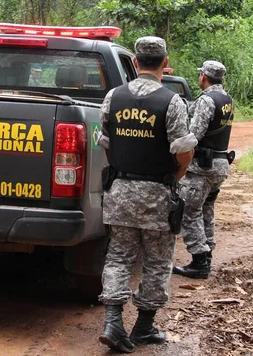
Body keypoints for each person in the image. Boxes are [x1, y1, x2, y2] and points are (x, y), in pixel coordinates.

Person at [97, 36, 196, 353]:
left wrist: (124, 173)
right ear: (165, 64)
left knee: (118, 257)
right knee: (157, 261)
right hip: (157, 195)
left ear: (136, 63)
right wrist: (172, 178)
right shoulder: (172, 102)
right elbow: (184, 151)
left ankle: (113, 322)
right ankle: (143, 326)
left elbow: (107, 143)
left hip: (120, 193)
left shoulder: (114, 97)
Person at [173, 60, 233, 279]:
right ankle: (207, 254)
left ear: (203, 77)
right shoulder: (226, 99)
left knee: (190, 210)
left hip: (202, 168)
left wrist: (175, 149)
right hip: (219, 165)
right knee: (207, 209)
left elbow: (194, 135)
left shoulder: (207, 100)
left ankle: (199, 261)